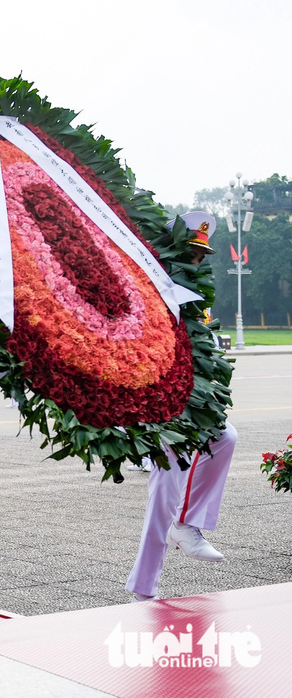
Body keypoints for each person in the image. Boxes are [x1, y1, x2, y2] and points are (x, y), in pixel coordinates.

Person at [126, 212, 237, 602]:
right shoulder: (155, 284)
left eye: (201, 255)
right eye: (190, 252)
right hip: (153, 401)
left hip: (185, 401)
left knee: (225, 437)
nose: (196, 261)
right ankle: (145, 586)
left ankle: (187, 523)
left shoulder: (196, 295)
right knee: (166, 484)